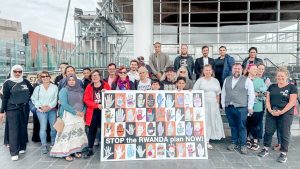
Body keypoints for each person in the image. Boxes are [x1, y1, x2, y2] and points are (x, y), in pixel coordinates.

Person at [258, 67, 297, 163]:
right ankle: (265, 149)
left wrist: (281, 112)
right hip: (272, 113)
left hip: (285, 114)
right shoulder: (271, 87)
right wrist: (270, 110)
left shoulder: (292, 87)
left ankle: (283, 153)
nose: (280, 77)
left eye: (282, 76)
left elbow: (292, 102)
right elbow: (267, 100)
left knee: (284, 133)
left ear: (286, 77)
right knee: (268, 131)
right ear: (276, 77)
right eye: (278, 76)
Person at [50, 74, 88, 161]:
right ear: (67, 81)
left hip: (79, 116)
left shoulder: (81, 90)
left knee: (77, 134)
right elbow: (64, 104)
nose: (71, 81)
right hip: (68, 115)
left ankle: (76, 150)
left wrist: (83, 112)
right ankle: (65, 152)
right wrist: (75, 112)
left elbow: (84, 102)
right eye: (69, 80)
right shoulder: (64, 90)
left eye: (73, 80)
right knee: (67, 133)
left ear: (76, 81)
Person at [0, 65, 33, 161]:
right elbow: (5, 98)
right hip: (12, 109)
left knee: (23, 128)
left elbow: (32, 91)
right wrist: (2, 111)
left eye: (19, 71)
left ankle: (22, 147)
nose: (17, 73)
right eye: (15, 71)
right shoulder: (8, 83)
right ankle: (14, 152)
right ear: (12, 72)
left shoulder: (25, 81)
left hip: (24, 108)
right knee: (13, 130)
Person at [221, 63, 255, 154]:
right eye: (235, 68)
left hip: (241, 107)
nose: (236, 70)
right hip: (229, 107)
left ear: (242, 70)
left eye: (238, 69)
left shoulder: (247, 80)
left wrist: (250, 107)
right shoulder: (227, 80)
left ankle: (243, 145)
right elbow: (223, 92)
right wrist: (223, 104)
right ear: (232, 70)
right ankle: (234, 142)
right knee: (233, 126)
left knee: (242, 126)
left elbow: (251, 94)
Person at [193, 64, 225, 150]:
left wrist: (217, 105)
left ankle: (208, 139)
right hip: (203, 104)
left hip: (213, 104)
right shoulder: (200, 81)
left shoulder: (216, 81)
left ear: (212, 71)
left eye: (209, 70)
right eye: (206, 70)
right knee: (205, 121)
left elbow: (218, 94)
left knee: (211, 121)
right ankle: (205, 141)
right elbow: (194, 92)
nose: (207, 72)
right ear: (203, 71)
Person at [83, 70, 110, 158]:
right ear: (91, 78)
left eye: (96, 75)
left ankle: (106, 148)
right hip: (93, 111)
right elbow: (86, 100)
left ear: (100, 76)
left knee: (105, 130)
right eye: (93, 76)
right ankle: (90, 148)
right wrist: (96, 105)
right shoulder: (89, 87)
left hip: (105, 111)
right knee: (92, 130)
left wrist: (106, 92)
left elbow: (111, 96)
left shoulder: (105, 85)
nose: (95, 77)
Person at [31, 71, 58, 154]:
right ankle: (44, 145)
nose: (45, 77)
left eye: (47, 76)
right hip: (41, 110)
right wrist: (40, 107)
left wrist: (49, 106)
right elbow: (34, 99)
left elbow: (56, 98)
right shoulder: (38, 88)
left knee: (53, 128)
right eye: (43, 76)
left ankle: (53, 143)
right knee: (43, 128)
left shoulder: (55, 87)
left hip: (52, 110)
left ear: (50, 77)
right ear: (40, 78)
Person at [244, 64, 267, 151]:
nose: (255, 71)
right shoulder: (244, 80)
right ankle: (248, 139)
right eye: (253, 69)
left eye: (256, 69)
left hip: (257, 106)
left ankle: (255, 141)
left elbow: (264, 93)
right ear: (249, 70)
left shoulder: (260, 81)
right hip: (246, 106)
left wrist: (256, 94)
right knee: (247, 123)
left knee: (256, 124)